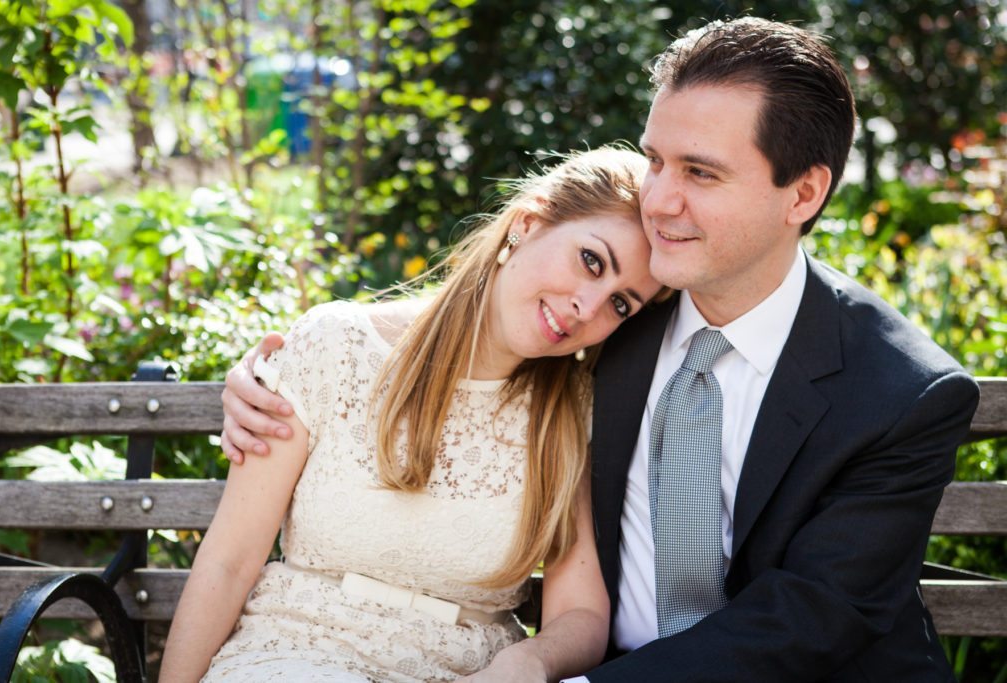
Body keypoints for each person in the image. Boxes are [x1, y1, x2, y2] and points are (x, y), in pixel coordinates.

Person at [223, 18, 981, 681]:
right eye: (657, 160)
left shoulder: (901, 393)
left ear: (803, 195)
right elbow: (449, 340)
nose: (659, 200)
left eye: (700, 173)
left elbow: (813, 617)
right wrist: (269, 371)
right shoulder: (603, 325)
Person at [160, 146, 665, 682]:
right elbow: (229, 561)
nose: (587, 307)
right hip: (294, 655)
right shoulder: (335, 348)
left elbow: (579, 612)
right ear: (527, 222)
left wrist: (530, 660)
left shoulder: (569, 415)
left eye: (620, 304)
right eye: (591, 261)